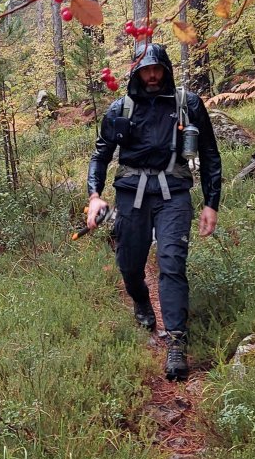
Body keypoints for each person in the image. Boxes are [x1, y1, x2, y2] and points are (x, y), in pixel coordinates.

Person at [86, 42, 222, 381]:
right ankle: (142, 301)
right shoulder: (121, 108)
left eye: (157, 69)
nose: (152, 75)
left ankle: (176, 342)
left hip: (173, 192)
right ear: (136, 71)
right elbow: (101, 154)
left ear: (166, 69)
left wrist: (210, 203)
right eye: (146, 69)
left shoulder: (187, 104)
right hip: (131, 193)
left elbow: (209, 152)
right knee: (130, 265)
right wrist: (94, 195)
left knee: (172, 260)